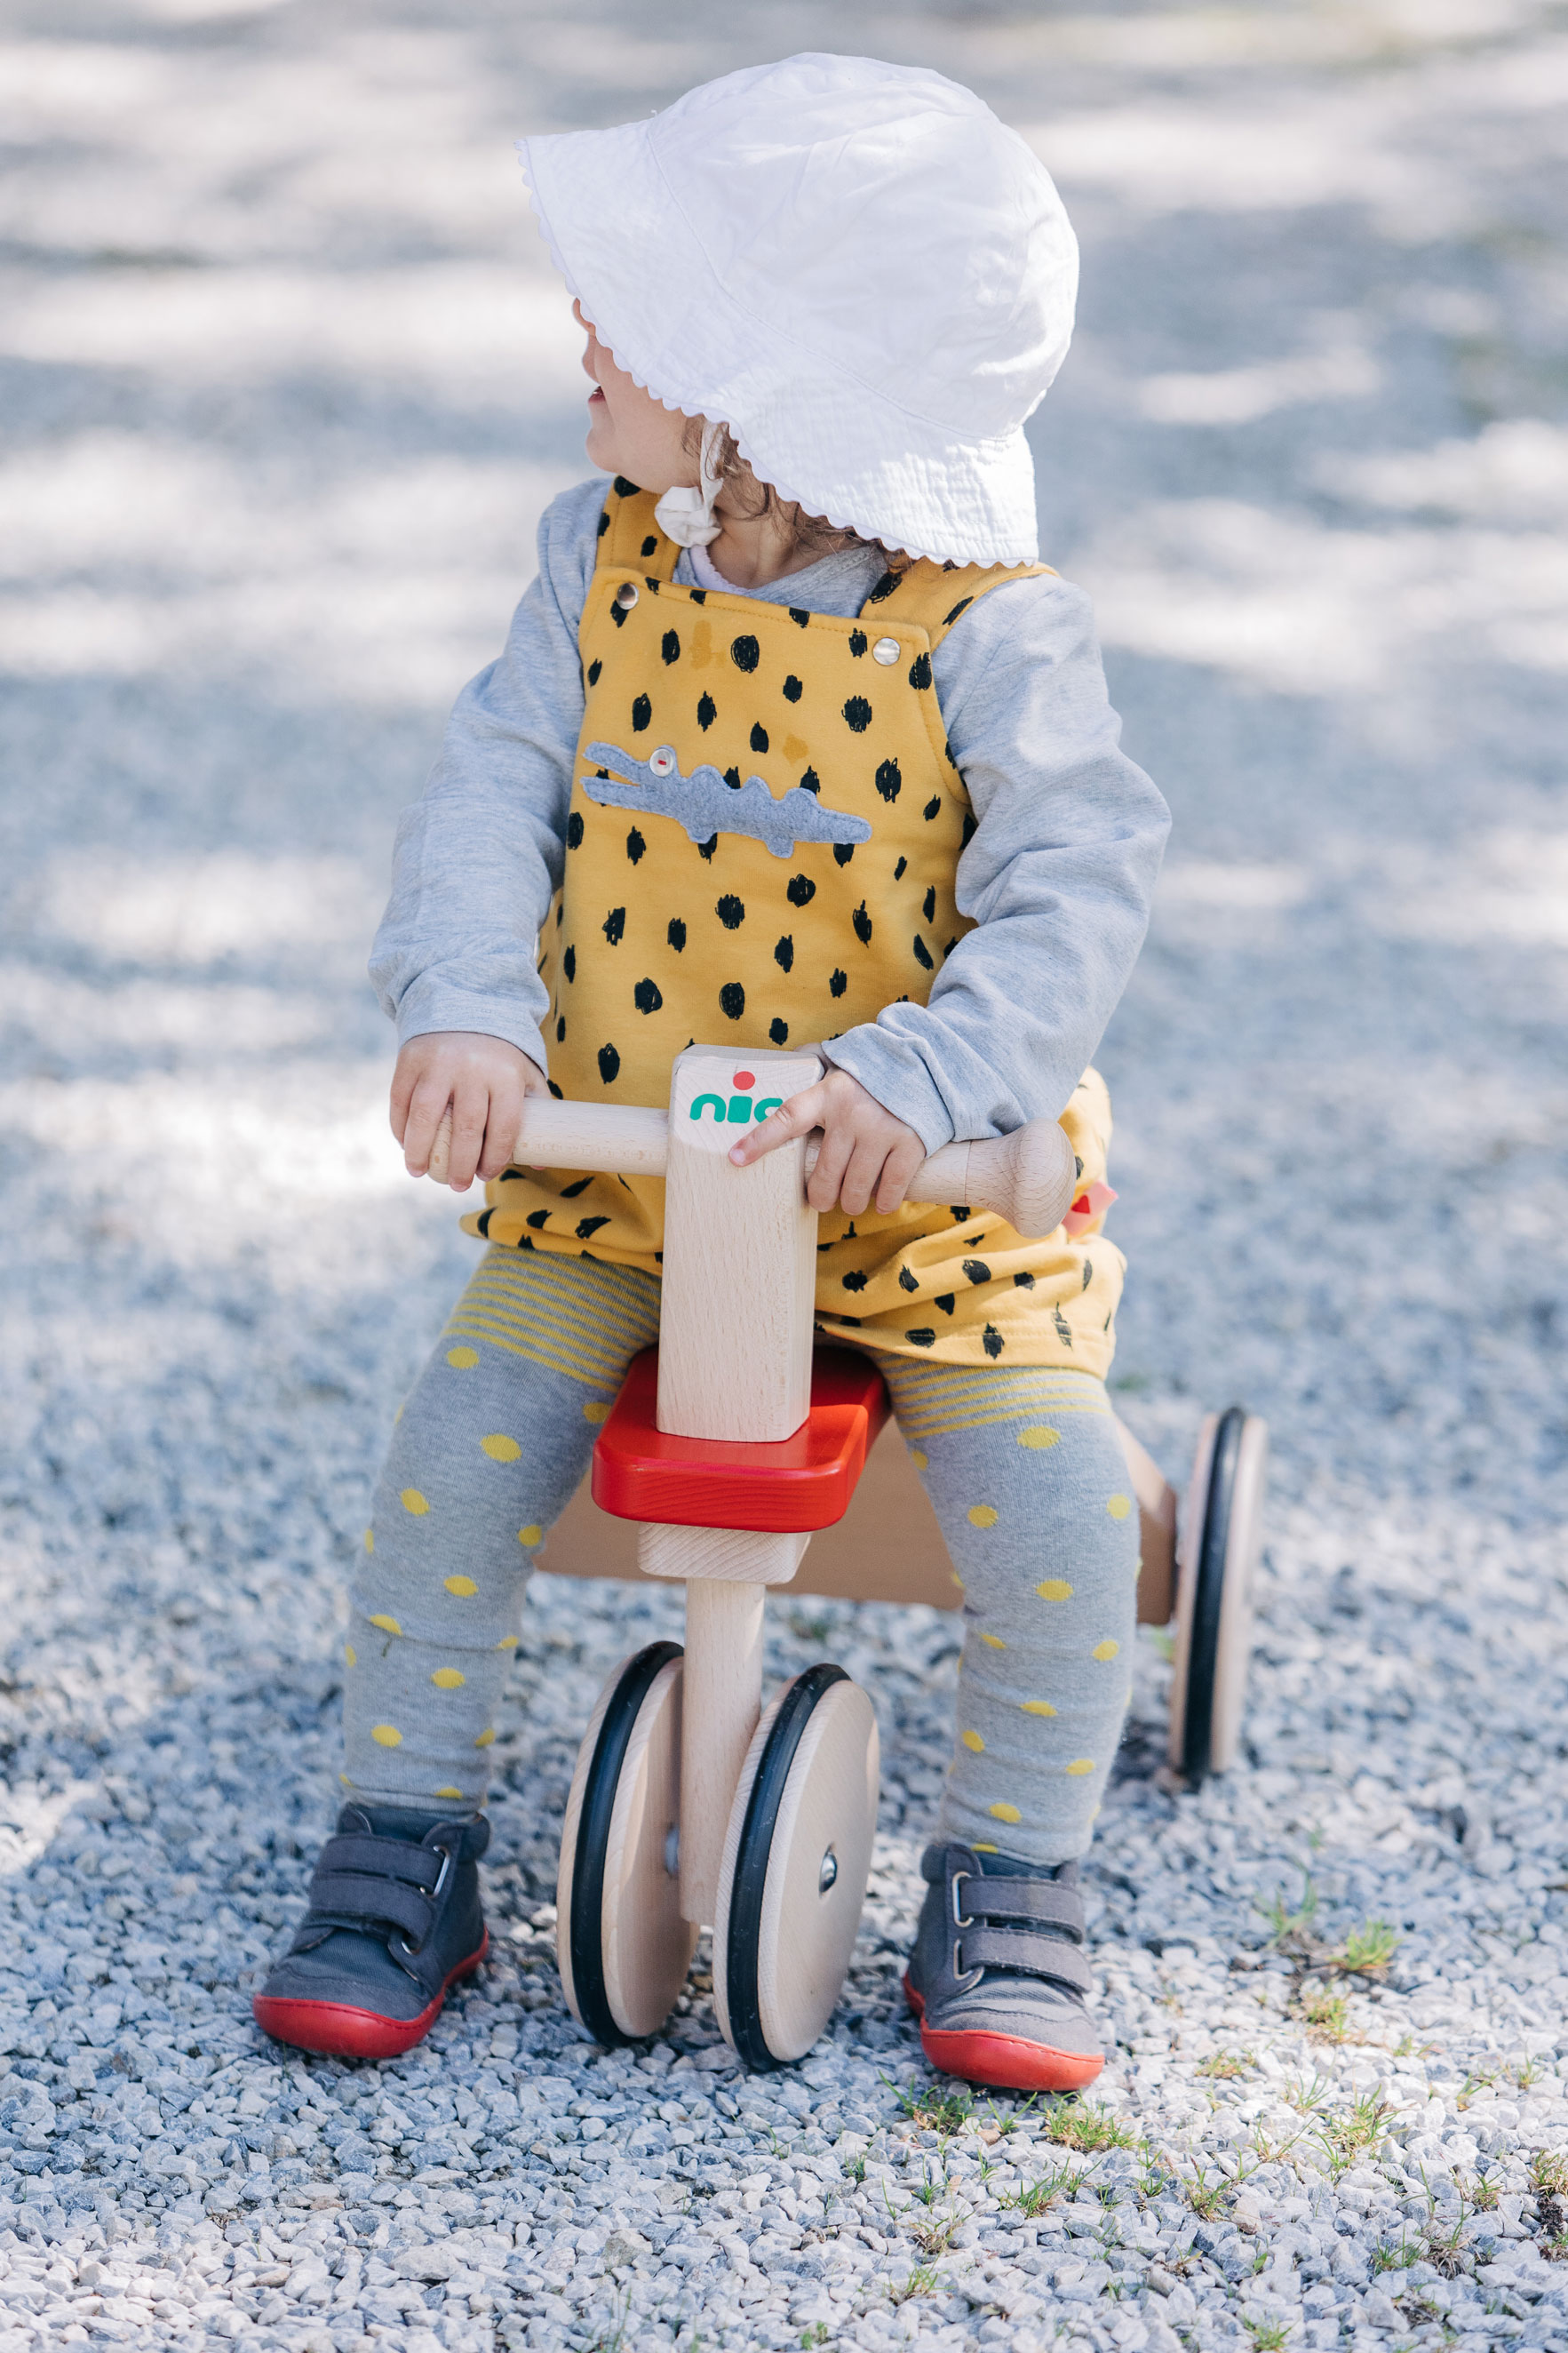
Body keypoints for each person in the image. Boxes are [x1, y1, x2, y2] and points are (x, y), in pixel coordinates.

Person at [253, 52, 1169, 2091]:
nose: (586, 327)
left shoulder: (989, 635)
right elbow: (492, 788)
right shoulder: (597, 558)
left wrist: (931, 1078)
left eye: (642, 310)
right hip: (624, 1172)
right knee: (457, 1452)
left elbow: (1073, 890)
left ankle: (1015, 1876)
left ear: (769, 402)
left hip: (911, 1191)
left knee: (1052, 1513)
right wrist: (468, 1008)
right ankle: (404, 1835)